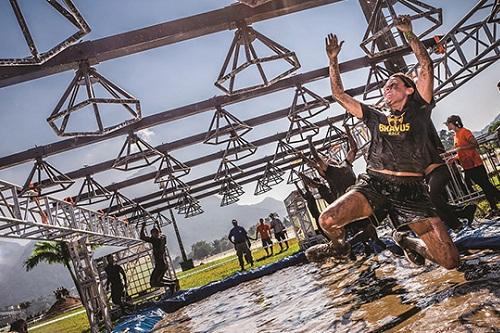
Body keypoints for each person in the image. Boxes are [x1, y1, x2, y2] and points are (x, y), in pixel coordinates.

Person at [319, 15, 459, 269]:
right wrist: (333, 60)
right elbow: (339, 95)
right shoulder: (375, 115)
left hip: (411, 188)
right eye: (385, 87)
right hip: (375, 183)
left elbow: (426, 65)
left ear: (409, 90)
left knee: (450, 261)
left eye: (393, 84)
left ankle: (407, 241)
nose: (387, 88)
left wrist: (408, 34)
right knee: (327, 220)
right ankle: (339, 246)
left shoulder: (418, 108)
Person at [445, 115, 500, 217]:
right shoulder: (456, 135)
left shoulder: (465, 132)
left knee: (484, 186)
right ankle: (494, 207)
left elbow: (475, 144)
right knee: (485, 186)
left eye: (448, 123)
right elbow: (461, 151)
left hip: (475, 164)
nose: (447, 126)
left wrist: (460, 149)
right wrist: (454, 158)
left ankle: (494, 207)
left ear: (454, 123)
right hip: (468, 166)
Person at [425, 122, 477, 230]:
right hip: (431, 174)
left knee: (433, 197)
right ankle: (464, 211)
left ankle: (456, 223)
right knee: (433, 202)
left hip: (439, 170)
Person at [306, 124, 358, 199]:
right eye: (327, 160)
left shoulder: (346, 163)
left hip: (357, 192)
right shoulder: (328, 170)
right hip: (344, 198)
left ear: (337, 160)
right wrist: (310, 142)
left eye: (330, 158)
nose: (329, 158)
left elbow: (354, 149)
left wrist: (347, 130)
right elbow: (317, 158)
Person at [140, 222, 176, 293]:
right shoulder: (161, 239)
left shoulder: (155, 240)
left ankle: (171, 285)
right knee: (160, 279)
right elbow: (161, 233)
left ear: (154, 234)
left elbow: (142, 237)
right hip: (163, 264)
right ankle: (172, 282)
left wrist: (143, 227)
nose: (152, 236)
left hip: (160, 265)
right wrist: (158, 225)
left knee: (153, 283)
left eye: (152, 234)